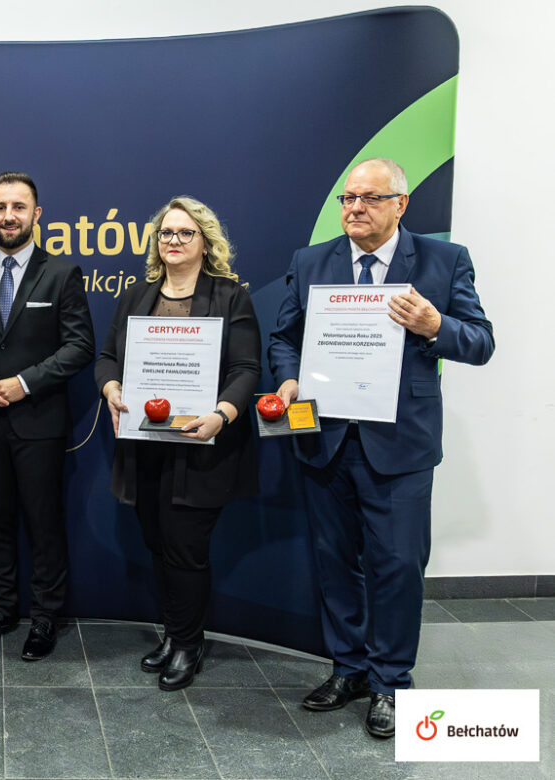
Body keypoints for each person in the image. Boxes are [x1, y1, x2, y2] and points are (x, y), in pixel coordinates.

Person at [269, 158, 494, 738]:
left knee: (397, 567)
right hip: (325, 439)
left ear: (401, 204)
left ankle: (391, 682)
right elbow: (284, 339)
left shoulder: (444, 261)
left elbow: (480, 342)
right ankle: (347, 669)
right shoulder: (311, 261)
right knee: (335, 563)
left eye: (369, 198)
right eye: (348, 198)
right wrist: (289, 380)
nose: (355, 208)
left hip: (400, 446)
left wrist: (435, 324)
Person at [95, 196, 260, 690]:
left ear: (205, 242)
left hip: (201, 446)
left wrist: (221, 415)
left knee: (186, 549)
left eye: (185, 233)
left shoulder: (230, 296)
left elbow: (246, 369)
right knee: (159, 544)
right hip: (145, 446)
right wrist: (111, 388)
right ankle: (173, 633)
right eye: (166, 232)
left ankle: (189, 644)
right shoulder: (137, 297)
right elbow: (106, 357)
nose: (173, 240)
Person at [0, 172, 95, 661]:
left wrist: (24, 382)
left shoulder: (62, 273)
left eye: (18, 207)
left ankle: (46, 616)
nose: (8, 216)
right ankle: (1, 610)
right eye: (0, 207)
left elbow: (80, 346)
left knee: (44, 523)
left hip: (38, 421)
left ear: (37, 213)